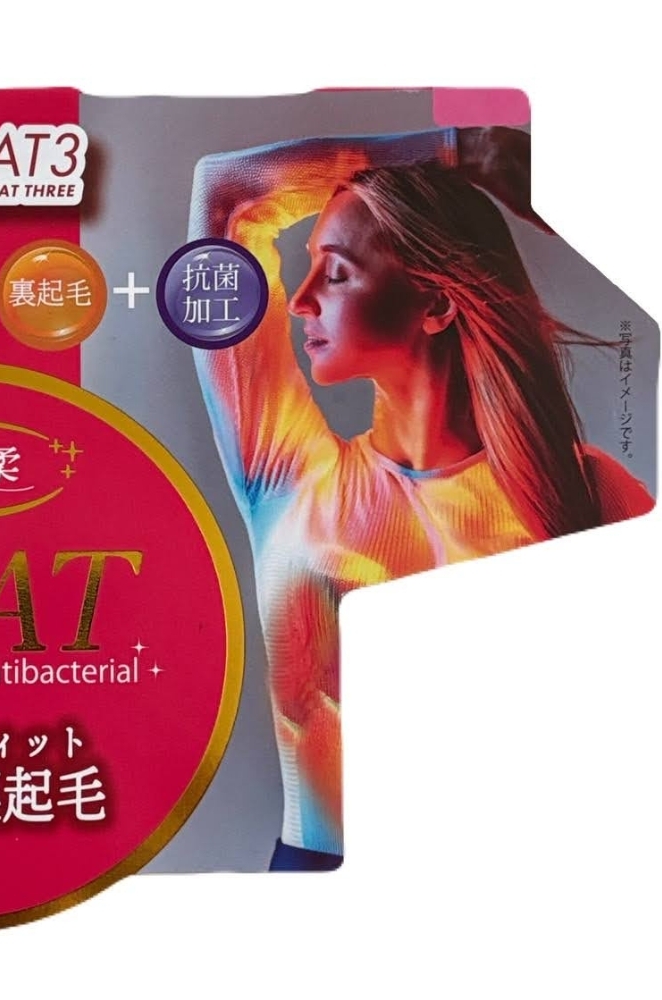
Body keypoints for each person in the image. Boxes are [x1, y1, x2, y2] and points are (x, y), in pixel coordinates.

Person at [187, 127, 654, 871]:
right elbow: (229, 199)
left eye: (335, 273)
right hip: (317, 883)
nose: (300, 301)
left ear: (434, 302)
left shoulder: (587, 491)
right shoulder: (285, 474)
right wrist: (460, 149)